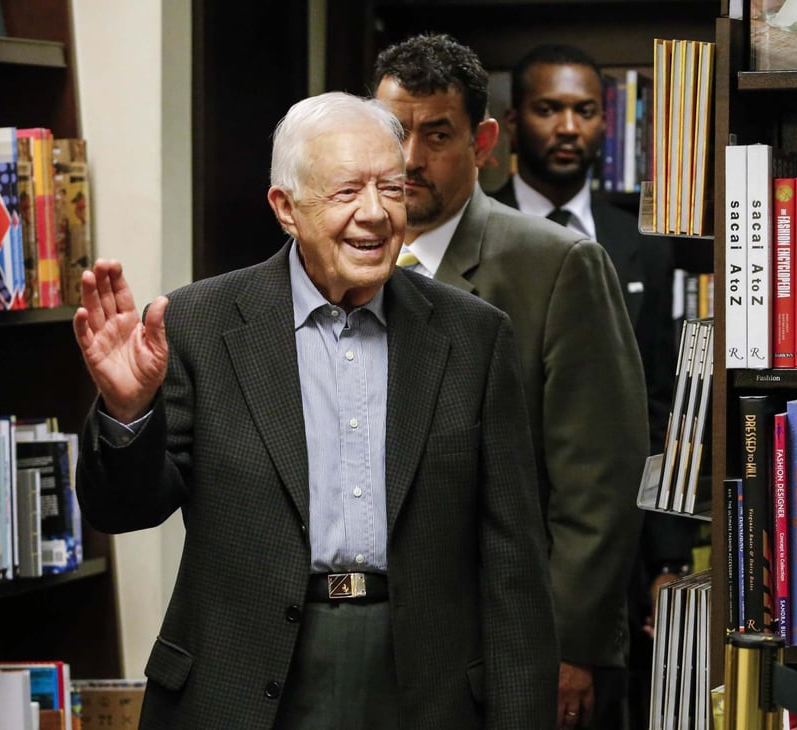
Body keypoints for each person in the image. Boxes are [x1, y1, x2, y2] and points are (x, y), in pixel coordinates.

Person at [72, 91, 558, 730]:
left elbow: (513, 567)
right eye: (346, 191)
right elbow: (123, 510)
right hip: (241, 687)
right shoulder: (199, 323)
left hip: (423, 687)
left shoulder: (473, 338)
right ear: (286, 209)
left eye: (391, 188)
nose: (376, 214)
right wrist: (128, 410)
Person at [373, 33, 648, 730]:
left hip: (512, 643)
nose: (409, 159)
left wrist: (572, 646)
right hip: (373, 647)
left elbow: (599, 479)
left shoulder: (557, 264)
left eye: (436, 135)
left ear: (484, 141)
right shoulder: (340, 260)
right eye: (392, 133)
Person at [489, 43, 699, 729]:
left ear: (607, 124)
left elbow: (663, 405)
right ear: (515, 122)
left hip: (617, 541)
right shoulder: (473, 229)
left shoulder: (640, 236)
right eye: (549, 109)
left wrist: (668, 555)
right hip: (498, 526)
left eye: (584, 111)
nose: (568, 127)